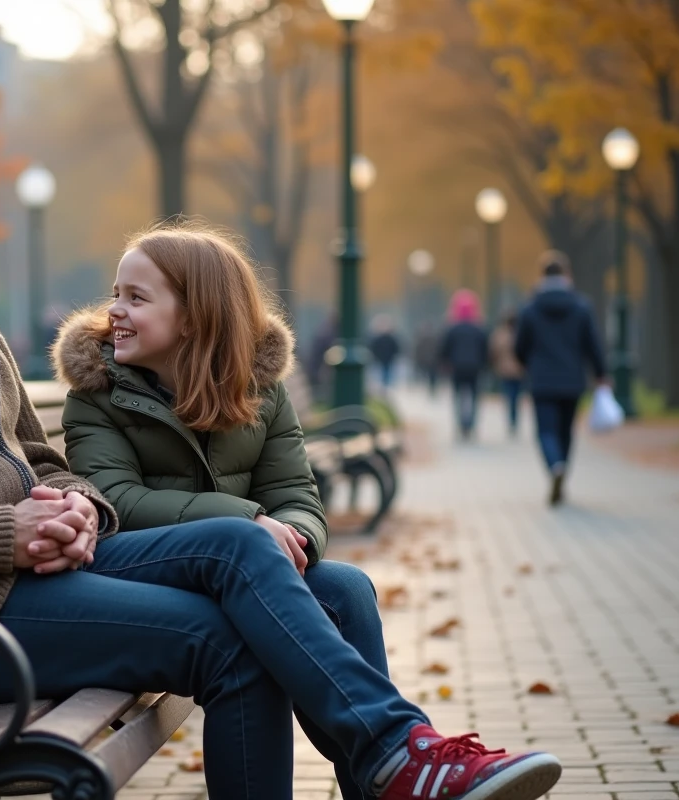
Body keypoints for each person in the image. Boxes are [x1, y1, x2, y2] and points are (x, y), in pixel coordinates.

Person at [0, 101, 561, 800]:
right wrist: (3, 532)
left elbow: (39, 462)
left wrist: (79, 506)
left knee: (333, 588)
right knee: (234, 638)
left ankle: (393, 762)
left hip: (21, 578)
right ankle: (396, 758)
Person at [50, 223, 561, 800]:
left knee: (344, 588)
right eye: (116, 293)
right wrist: (247, 521)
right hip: (136, 569)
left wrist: (293, 534)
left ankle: (389, 777)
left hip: (231, 565)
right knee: (247, 556)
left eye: (136, 298)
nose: (114, 310)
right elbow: (118, 501)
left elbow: (297, 491)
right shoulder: (97, 392)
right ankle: (400, 753)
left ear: (195, 316)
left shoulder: (260, 389)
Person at [515, 251, 607, 506]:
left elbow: (520, 345)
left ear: (541, 275)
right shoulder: (581, 306)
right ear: (566, 274)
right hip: (572, 379)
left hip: (542, 380)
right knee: (566, 431)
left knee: (545, 431)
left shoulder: (530, 308)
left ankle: (555, 466)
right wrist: (600, 373)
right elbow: (592, 344)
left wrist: (527, 364)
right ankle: (562, 470)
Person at [439, 290, 489, 440]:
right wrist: (484, 364)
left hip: (457, 367)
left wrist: (445, 362)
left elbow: (445, 348)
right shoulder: (479, 328)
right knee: (474, 396)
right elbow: (484, 348)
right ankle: (470, 424)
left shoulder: (452, 328)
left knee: (458, 396)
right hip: (474, 367)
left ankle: (460, 424)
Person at [490, 310, 524, 438]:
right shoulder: (520, 332)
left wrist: (494, 364)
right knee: (515, 396)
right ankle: (514, 420)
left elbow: (494, 351)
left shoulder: (500, 334)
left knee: (509, 396)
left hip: (504, 370)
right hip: (519, 370)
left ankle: (511, 420)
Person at [368, 315, 402, 391]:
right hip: (379, 359)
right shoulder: (377, 338)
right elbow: (373, 348)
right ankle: (382, 387)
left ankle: (386, 387)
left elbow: (396, 348)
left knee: (387, 373)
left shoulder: (391, 338)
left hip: (388, 359)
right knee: (379, 374)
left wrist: (395, 355)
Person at [412, 322, 440, 396]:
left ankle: (429, 388)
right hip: (431, 360)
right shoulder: (435, 337)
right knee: (431, 376)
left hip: (427, 360)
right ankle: (431, 388)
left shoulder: (420, 338)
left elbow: (417, 350)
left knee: (427, 375)